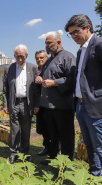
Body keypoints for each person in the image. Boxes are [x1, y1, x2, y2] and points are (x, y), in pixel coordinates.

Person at [65, 14, 102, 176]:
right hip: (80, 105)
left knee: (100, 146)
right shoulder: (81, 50)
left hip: (95, 106)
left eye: (76, 32)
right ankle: (94, 174)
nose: (73, 36)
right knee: (89, 144)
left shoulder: (99, 44)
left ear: (88, 27)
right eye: (70, 34)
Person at [35, 31, 76, 165]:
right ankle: (53, 159)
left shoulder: (67, 57)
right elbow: (46, 77)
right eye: (45, 43)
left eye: (49, 42)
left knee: (66, 137)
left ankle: (66, 163)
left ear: (58, 42)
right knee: (53, 135)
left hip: (62, 106)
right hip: (48, 106)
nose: (46, 45)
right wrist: (40, 78)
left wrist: (55, 82)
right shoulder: (49, 60)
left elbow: (73, 79)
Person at [3, 44, 40, 164]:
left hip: (27, 103)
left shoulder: (33, 68)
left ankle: (25, 153)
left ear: (26, 56)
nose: (20, 59)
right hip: (14, 103)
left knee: (26, 130)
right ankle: (14, 152)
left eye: (22, 57)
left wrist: (36, 105)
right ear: (14, 56)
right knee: (14, 130)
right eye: (17, 56)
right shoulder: (9, 69)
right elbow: (5, 89)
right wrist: (5, 104)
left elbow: (36, 90)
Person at [34, 50, 50, 156]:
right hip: (40, 104)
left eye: (42, 57)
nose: (39, 60)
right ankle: (47, 147)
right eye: (37, 58)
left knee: (52, 128)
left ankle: (56, 149)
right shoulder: (35, 71)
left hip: (50, 104)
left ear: (47, 58)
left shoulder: (50, 69)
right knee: (42, 127)